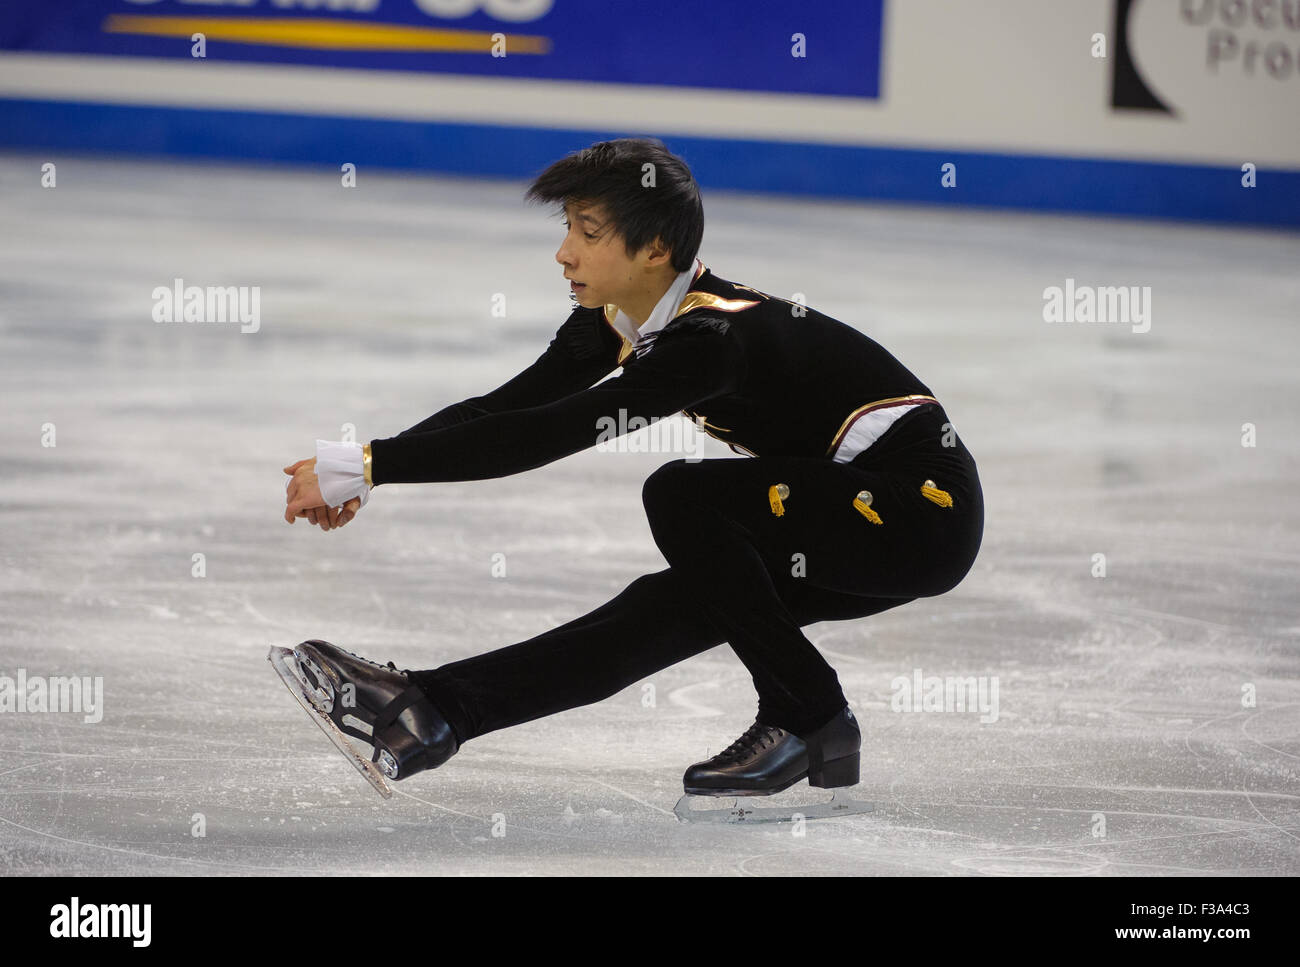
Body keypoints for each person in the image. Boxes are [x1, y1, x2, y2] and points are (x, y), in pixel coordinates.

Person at [281, 137, 984, 796]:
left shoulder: (712, 338)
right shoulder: (615, 318)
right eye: (567, 229)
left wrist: (372, 465)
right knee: (662, 609)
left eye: (588, 234)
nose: (564, 253)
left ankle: (812, 715)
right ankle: (435, 711)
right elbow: (502, 412)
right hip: (843, 514)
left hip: (918, 514)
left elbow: (546, 435)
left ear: (655, 248)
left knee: (683, 496)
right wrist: (363, 469)